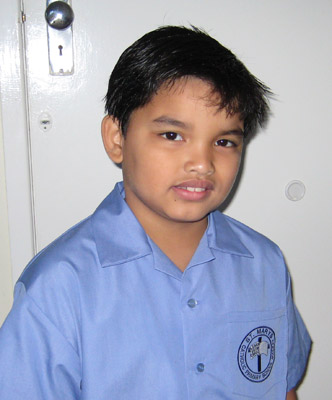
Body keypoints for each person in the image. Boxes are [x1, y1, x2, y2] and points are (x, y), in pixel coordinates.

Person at [0, 26, 311, 399]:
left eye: (224, 141)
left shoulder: (264, 263)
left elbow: (283, 387)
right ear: (117, 138)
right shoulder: (58, 286)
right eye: (172, 135)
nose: (202, 163)